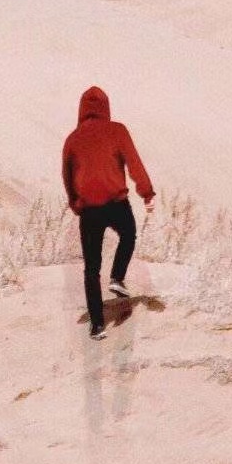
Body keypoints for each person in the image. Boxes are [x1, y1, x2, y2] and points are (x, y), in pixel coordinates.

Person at [62, 85, 154, 339]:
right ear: (106, 108)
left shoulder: (73, 139)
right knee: (128, 234)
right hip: (116, 203)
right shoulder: (117, 130)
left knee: (91, 268)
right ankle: (117, 277)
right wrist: (147, 193)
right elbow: (134, 164)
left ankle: (97, 325)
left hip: (89, 209)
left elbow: (67, 175)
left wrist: (75, 203)